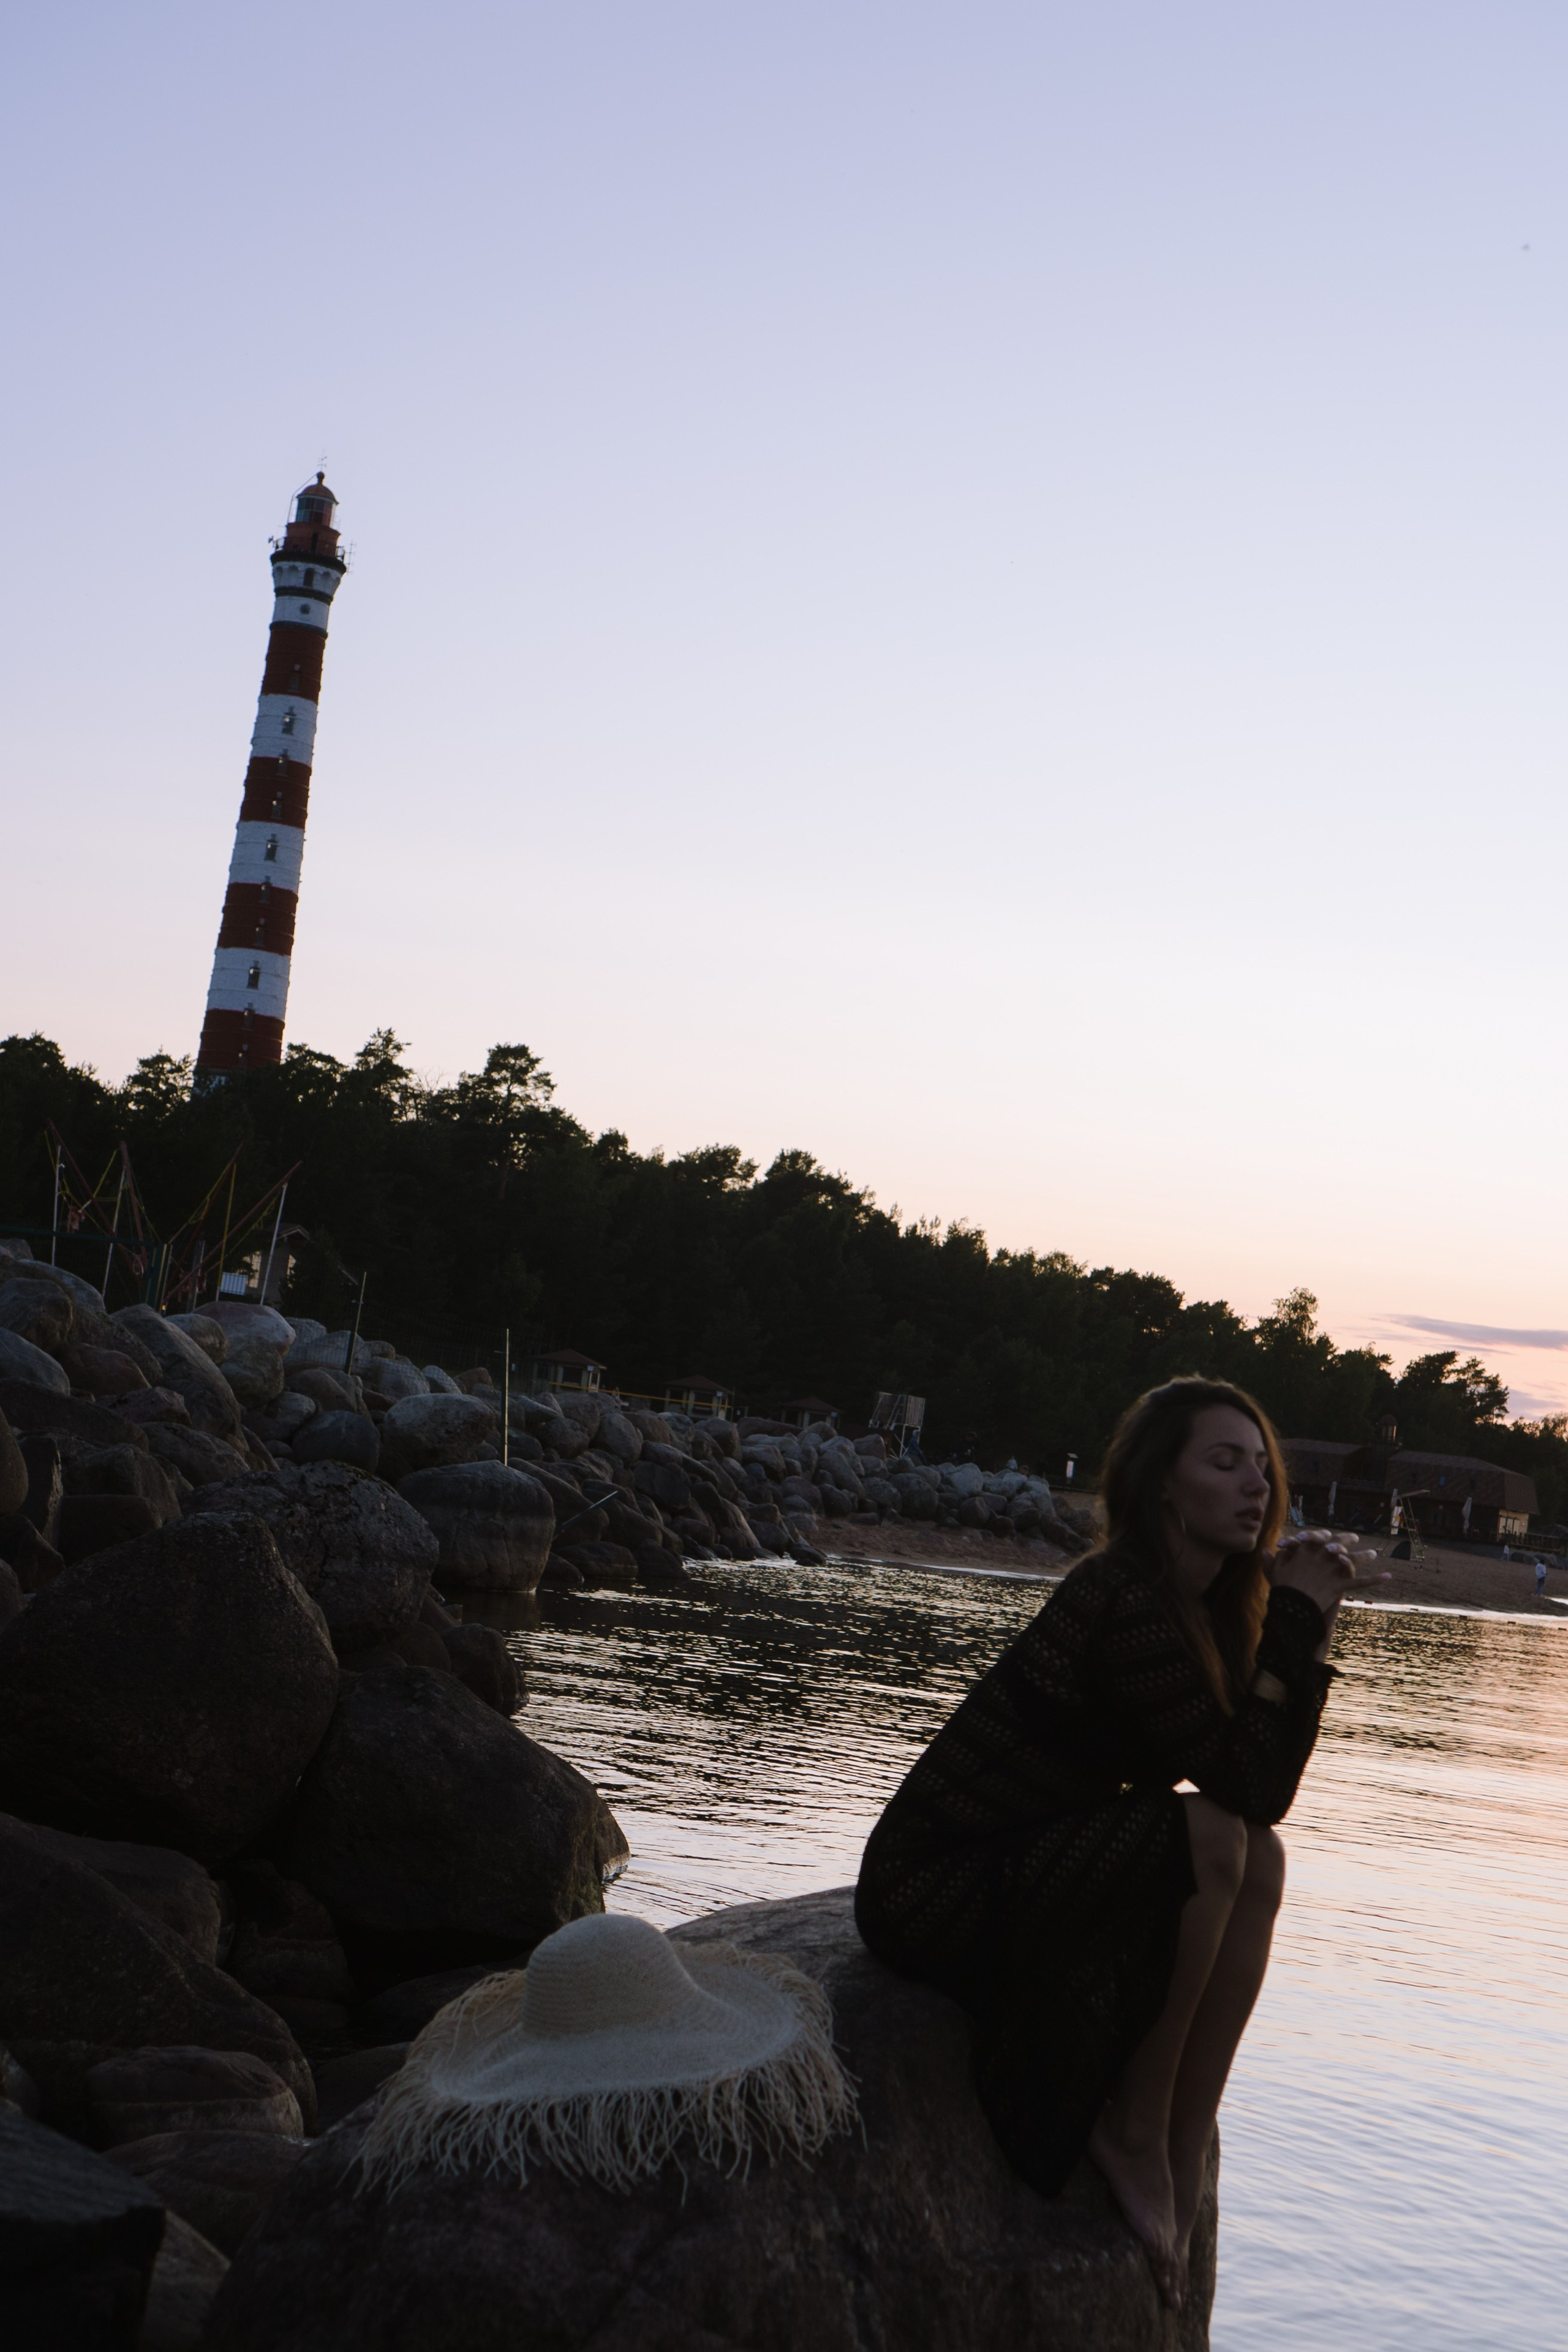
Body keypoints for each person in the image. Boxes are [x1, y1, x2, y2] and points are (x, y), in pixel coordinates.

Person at [855, 1376, 1385, 2309]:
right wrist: (1294, 1619)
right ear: (1163, 1486)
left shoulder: (1210, 1605)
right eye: (1224, 1463)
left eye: (1262, 1466)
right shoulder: (1122, 1598)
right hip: (936, 1883)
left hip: (1039, 1853)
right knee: (1217, 1837)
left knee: (1260, 1858)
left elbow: (1268, 1798)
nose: (1256, 1486)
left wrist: (1303, 1623)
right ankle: (1136, 2129)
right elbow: (1238, 1785)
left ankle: (1183, 2136)